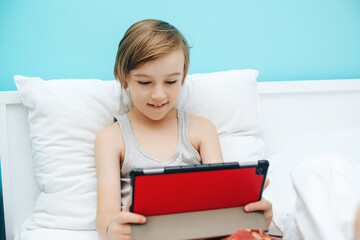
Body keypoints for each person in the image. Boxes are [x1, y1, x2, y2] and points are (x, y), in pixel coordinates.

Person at [95, 19, 273, 240]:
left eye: (170, 82)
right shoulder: (111, 138)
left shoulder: (201, 130)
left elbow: (220, 201)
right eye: (144, 82)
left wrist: (252, 213)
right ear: (124, 78)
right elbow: (105, 215)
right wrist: (112, 228)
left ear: (183, 77)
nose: (158, 95)